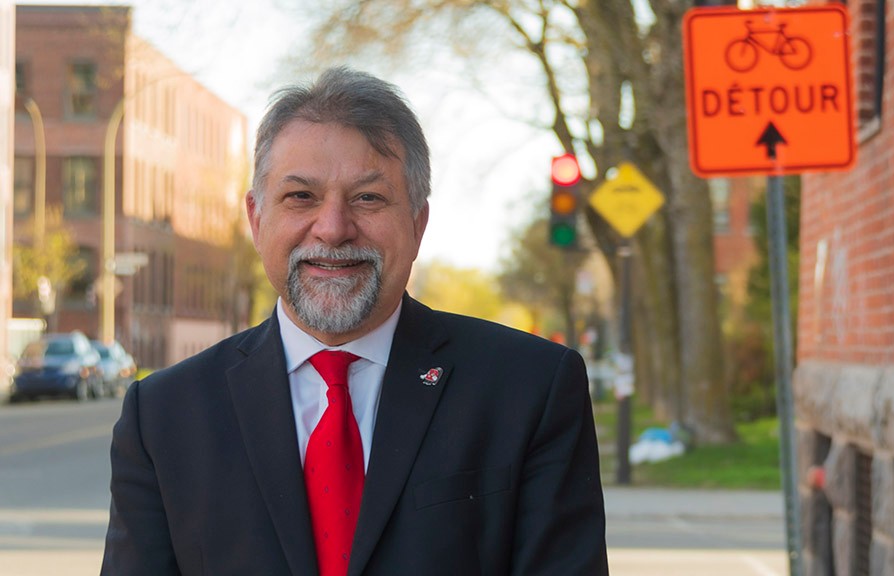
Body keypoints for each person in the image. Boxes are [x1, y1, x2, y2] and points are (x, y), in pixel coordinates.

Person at [101, 66, 608, 576]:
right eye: (301, 196)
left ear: (417, 222)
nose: (333, 229)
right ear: (257, 220)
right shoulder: (162, 417)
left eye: (368, 198)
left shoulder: (531, 389)